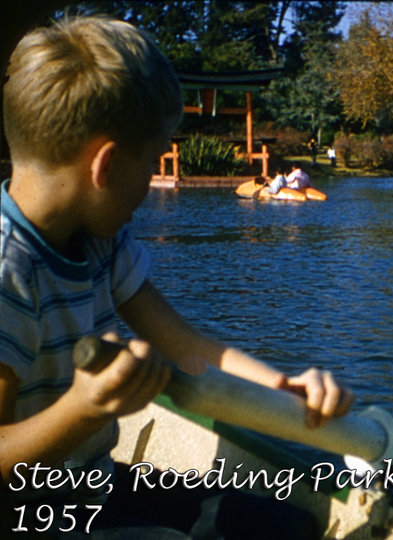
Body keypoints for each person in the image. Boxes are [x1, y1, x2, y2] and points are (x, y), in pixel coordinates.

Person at [0, 16, 353, 538]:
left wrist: (284, 389)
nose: (151, 183)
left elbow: (183, 343)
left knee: (283, 524)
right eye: (153, 162)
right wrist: (84, 408)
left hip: (91, 485)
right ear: (108, 166)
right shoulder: (8, 274)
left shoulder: (98, 237)